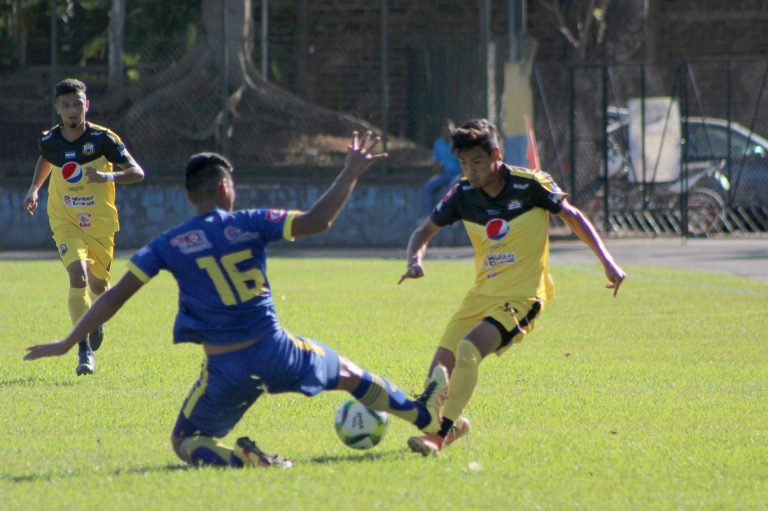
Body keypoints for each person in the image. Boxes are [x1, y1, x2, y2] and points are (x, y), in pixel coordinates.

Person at [25, 131, 448, 469]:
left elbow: (114, 298)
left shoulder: (167, 243)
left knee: (185, 442)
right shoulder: (250, 222)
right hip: (277, 352)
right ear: (226, 187)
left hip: (225, 368)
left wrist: (68, 342)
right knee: (350, 374)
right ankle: (424, 416)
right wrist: (351, 171)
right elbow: (319, 220)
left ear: (189, 197)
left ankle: (244, 460)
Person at [399, 119, 626, 456]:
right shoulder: (463, 193)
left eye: (477, 162)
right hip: (480, 296)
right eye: (463, 163)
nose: (470, 171)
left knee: (468, 350)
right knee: (437, 378)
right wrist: (414, 260)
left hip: (523, 297)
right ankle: (453, 425)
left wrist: (607, 261)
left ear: (496, 155)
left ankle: (439, 437)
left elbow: (573, 216)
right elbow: (423, 232)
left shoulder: (530, 184)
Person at [23, 78, 145, 376]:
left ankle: (97, 317)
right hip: (65, 220)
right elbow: (46, 159)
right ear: (58, 109)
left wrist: (108, 177)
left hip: (99, 224)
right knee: (77, 277)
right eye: (66, 105)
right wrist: (34, 189)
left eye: (77, 104)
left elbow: (137, 172)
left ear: (87, 105)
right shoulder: (49, 140)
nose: (72, 110)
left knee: (99, 286)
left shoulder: (104, 140)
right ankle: (84, 350)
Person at [422, 120, 462, 217]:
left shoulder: (458, 144)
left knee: (452, 187)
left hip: (458, 174)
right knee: (428, 186)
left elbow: (463, 163)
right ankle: (428, 217)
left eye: (449, 130)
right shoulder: (438, 143)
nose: (446, 133)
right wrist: (437, 166)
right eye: (444, 130)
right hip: (444, 174)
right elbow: (436, 162)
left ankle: (449, 217)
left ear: (453, 131)